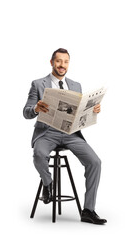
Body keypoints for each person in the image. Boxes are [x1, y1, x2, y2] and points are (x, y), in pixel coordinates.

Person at [23, 48, 107, 225]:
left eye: (66, 61)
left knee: (95, 162)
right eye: (59, 61)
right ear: (52, 62)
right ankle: (47, 183)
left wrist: (93, 110)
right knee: (39, 154)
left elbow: (79, 112)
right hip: (47, 133)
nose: (62, 65)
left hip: (70, 133)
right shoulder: (38, 84)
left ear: (69, 63)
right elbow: (26, 112)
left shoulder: (76, 85)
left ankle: (88, 210)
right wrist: (36, 109)